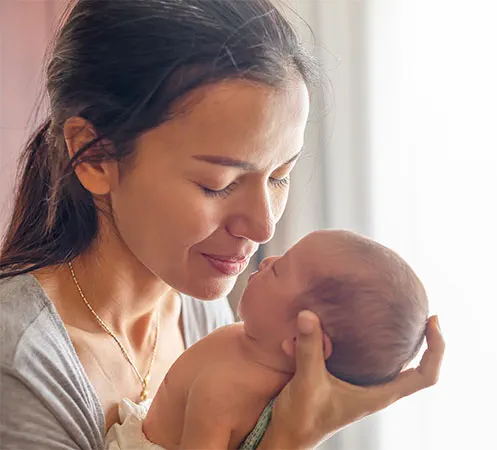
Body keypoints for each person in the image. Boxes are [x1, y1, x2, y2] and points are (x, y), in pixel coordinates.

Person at [0, 1, 444, 449]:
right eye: (218, 184)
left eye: (279, 176)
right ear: (95, 156)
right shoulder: (20, 364)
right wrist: (290, 438)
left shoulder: (206, 314)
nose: (263, 227)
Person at [103, 229, 429, 449]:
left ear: (304, 340)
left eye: (279, 270)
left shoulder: (223, 390)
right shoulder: (257, 348)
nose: (268, 260)